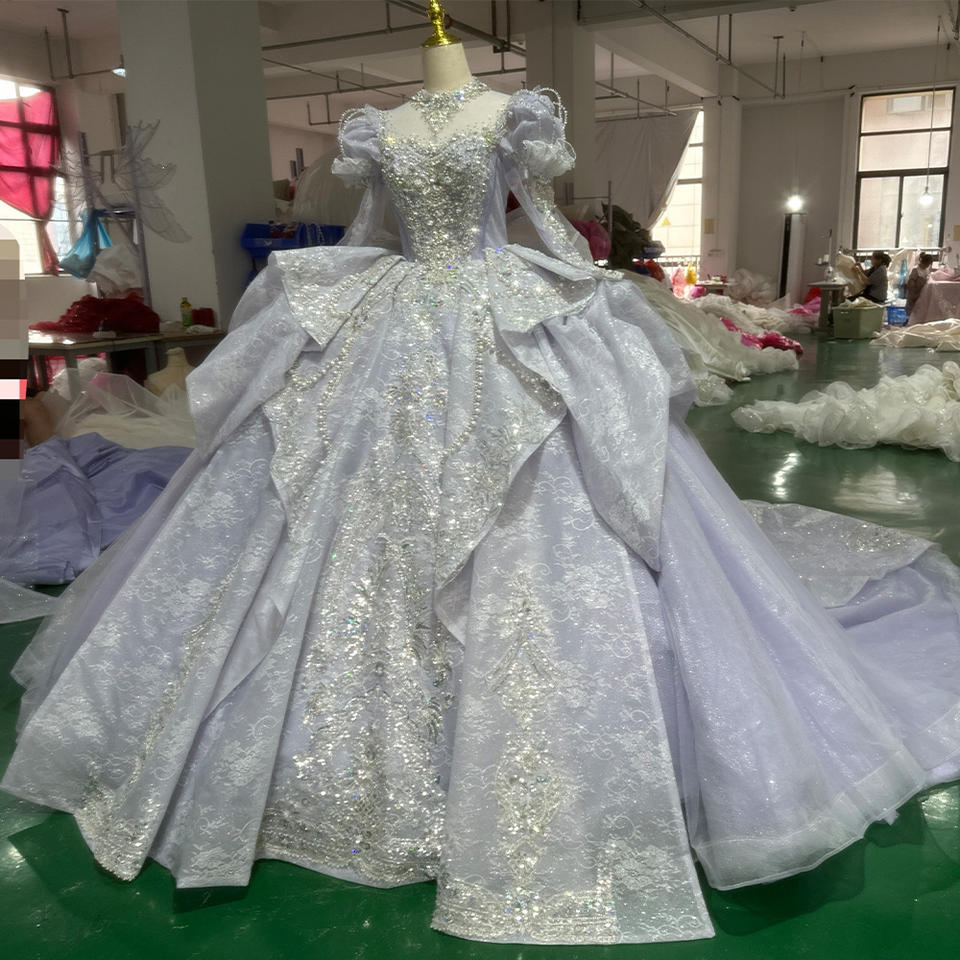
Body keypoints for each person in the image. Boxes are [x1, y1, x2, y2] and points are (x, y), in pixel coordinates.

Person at [3, 3, 960, 947]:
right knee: (316, 500)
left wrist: (580, 289)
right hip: (396, 306)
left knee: (543, 497)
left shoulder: (510, 114)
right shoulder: (377, 127)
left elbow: (539, 217)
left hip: (492, 299)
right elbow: (373, 225)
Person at [906, 252, 935, 318]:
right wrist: (913, 295)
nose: (929, 265)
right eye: (928, 263)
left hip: (922, 294)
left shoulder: (926, 270)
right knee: (913, 313)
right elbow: (911, 284)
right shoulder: (916, 270)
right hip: (915, 295)